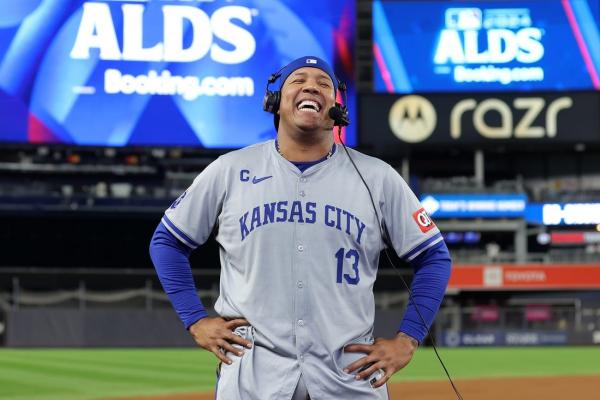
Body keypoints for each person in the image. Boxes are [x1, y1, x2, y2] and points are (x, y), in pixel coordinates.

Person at [149, 56, 451, 399]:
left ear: (337, 109)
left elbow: (434, 257)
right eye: (298, 81)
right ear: (275, 102)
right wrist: (195, 319)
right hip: (252, 375)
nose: (311, 86)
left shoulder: (377, 177)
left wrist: (408, 340)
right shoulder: (229, 170)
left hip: (348, 375)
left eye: (324, 84)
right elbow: (167, 241)